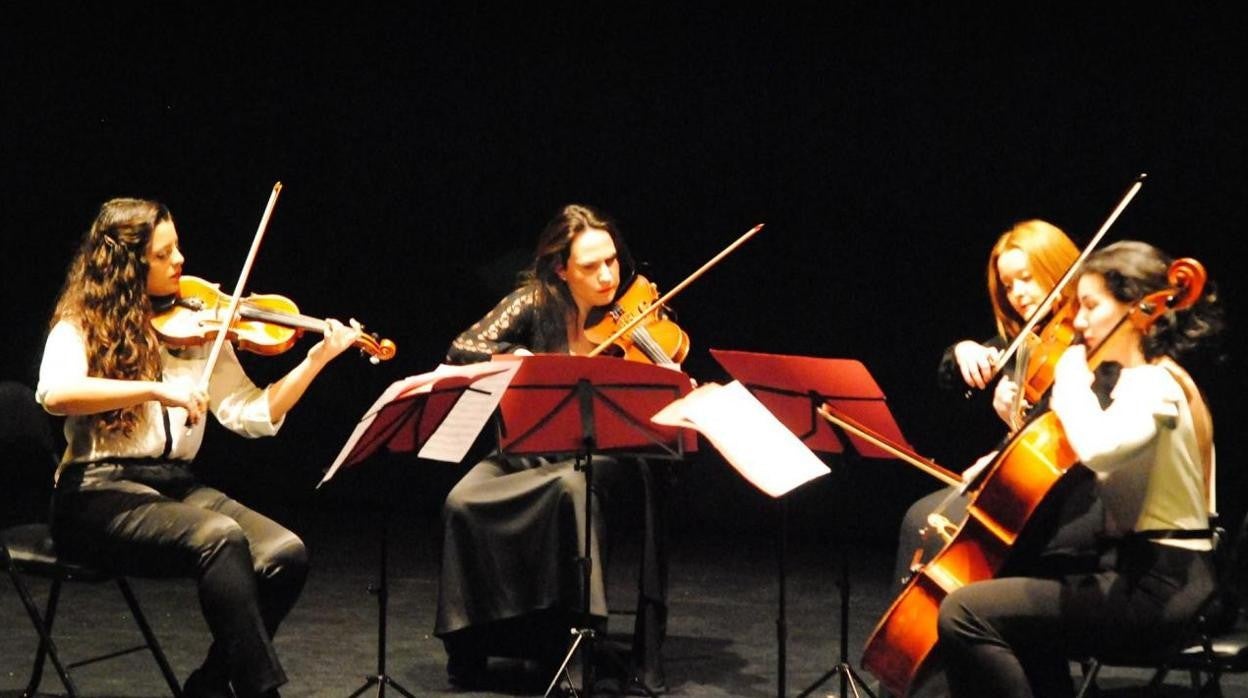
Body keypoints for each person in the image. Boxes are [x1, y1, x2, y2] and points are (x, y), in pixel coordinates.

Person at [36, 198, 361, 698]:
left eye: (178, 248)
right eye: (164, 255)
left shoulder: (197, 327)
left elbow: (253, 414)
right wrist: (155, 389)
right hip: (95, 494)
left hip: (173, 487)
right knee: (220, 537)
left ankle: (209, 685)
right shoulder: (82, 323)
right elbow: (56, 395)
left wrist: (316, 360)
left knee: (285, 553)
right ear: (129, 265)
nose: (181, 261)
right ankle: (261, 691)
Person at [936, 240, 1222, 697]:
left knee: (965, 612)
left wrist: (1070, 375)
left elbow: (1099, 448)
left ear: (1137, 309)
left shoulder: (1158, 384)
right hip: (1141, 574)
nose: (1079, 321)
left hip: (1161, 588)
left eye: (1090, 306)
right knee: (1015, 599)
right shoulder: (1140, 378)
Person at [437, 203, 671, 691]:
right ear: (561, 269)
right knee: (462, 499)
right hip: (529, 451)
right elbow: (463, 348)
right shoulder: (534, 301)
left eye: (612, 261)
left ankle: (572, 646)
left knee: (570, 489)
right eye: (591, 266)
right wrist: (515, 355)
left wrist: (664, 375)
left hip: (609, 458)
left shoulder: (636, 314)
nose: (608, 276)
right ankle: (476, 644)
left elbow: (661, 405)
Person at [894, 220, 1081, 592]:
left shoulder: (1086, 340)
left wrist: (997, 456)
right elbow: (950, 378)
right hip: (1024, 484)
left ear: (1057, 268)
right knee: (922, 519)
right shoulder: (1027, 339)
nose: (1018, 294)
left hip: (1068, 494)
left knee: (926, 519)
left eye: (1026, 278)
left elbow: (1061, 429)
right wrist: (962, 349)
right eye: (1009, 285)